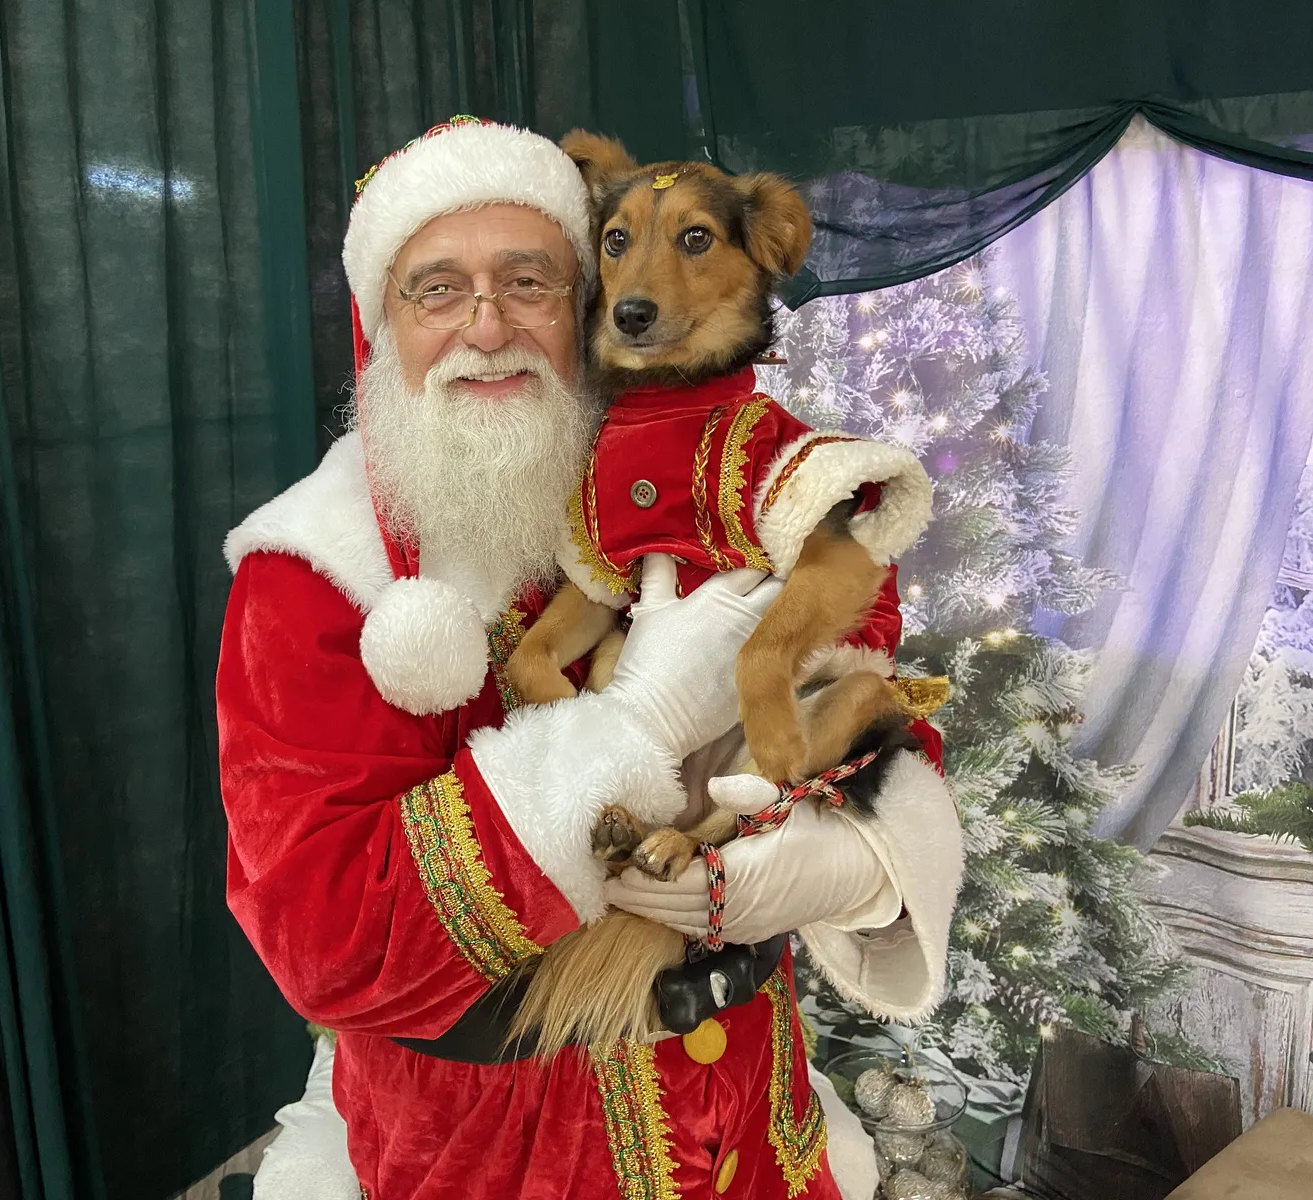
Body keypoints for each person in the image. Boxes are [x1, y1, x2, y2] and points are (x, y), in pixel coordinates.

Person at [217, 116, 963, 1200]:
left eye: (527, 281)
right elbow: (327, 942)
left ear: (579, 307)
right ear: (380, 325)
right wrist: (639, 721)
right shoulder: (308, 574)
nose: (486, 326)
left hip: (757, 1129)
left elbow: (872, 689)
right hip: (507, 1161)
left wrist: (853, 868)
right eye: (436, 290)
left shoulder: (693, 483)